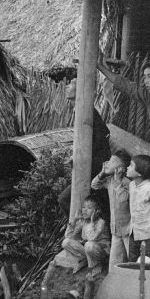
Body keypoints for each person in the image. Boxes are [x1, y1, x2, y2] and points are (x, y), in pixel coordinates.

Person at [58, 78, 111, 218]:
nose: (67, 86)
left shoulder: (88, 112)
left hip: (95, 169)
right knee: (100, 206)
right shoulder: (80, 111)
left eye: (70, 84)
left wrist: (83, 157)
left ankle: (86, 229)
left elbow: (102, 135)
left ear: (80, 90)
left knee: (65, 199)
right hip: (90, 167)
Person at [91, 149, 131, 268]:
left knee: (132, 256)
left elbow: (124, 199)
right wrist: (102, 173)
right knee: (114, 261)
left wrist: (119, 182)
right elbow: (94, 185)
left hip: (128, 228)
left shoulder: (127, 183)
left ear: (122, 168)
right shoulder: (109, 181)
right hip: (115, 228)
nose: (107, 163)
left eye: (112, 161)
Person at [64, 195, 110, 295]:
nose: (84, 210)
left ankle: (97, 265)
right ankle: (86, 261)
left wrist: (92, 222)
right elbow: (68, 236)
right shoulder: (83, 221)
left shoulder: (100, 222)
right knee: (66, 242)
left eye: (89, 208)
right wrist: (75, 220)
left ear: (96, 211)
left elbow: (91, 238)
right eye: (84, 207)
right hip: (88, 249)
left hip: (100, 252)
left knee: (89, 245)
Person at [126, 154, 150, 262]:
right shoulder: (132, 185)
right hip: (134, 232)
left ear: (139, 172)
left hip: (149, 234)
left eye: (131, 165)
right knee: (133, 262)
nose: (127, 167)